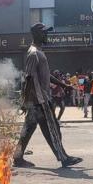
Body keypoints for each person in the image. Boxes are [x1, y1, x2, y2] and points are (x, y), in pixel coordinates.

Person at [14, 23, 82, 169]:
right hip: (39, 100)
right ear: (36, 34)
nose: (47, 35)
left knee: (29, 129)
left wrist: (63, 85)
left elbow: (46, 75)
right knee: (52, 128)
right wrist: (26, 101)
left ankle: (18, 157)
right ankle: (63, 158)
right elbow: (29, 78)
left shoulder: (39, 52)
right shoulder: (33, 53)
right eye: (44, 33)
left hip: (38, 99)